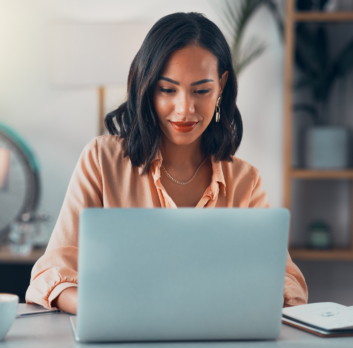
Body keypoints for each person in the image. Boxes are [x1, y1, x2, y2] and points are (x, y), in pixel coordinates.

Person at [26, 12, 308, 315]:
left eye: (201, 91)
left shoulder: (244, 181)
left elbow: (286, 281)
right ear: (147, 87)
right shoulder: (101, 161)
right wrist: (104, 309)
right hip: (122, 334)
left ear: (222, 86)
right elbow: (51, 274)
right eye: (167, 89)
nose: (185, 109)